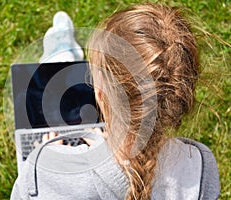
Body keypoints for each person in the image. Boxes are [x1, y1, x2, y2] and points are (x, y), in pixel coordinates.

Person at [11, 3, 219, 200]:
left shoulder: (43, 172)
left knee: (55, 66)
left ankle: (60, 51)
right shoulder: (200, 167)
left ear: (99, 95)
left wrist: (52, 156)